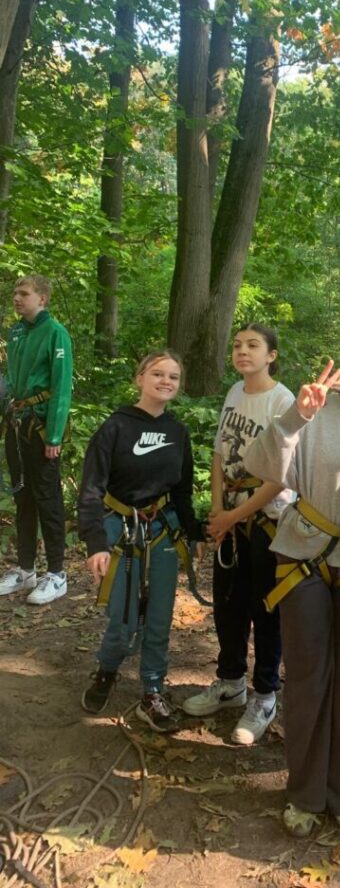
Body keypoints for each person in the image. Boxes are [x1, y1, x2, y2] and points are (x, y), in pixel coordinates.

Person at [244, 329, 340, 838]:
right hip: (304, 555)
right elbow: (259, 464)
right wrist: (297, 417)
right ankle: (305, 794)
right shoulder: (314, 412)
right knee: (309, 676)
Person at [78, 350, 202, 732]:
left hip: (162, 530)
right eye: (158, 374)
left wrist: (193, 533)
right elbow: (91, 490)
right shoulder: (115, 427)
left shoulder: (178, 432)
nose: (166, 381)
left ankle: (152, 689)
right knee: (123, 617)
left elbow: (182, 491)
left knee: (160, 616)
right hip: (119, 532)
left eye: (173, 377)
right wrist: (96, 543)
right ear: (140, 378)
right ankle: (107, 668)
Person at [183, 324, 295, 745]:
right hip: (230, 517)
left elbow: (281, 477)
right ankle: (230, 682)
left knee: (266, 610)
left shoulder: (283, 401)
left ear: (271, 355)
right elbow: (219, 452)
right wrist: (218, 510)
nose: (243, 351)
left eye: (253, 345)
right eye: (237, 345)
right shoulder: (234, 392)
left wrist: (233, 516)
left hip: (266, 521)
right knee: (228, 604)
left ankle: (264, 695)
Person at [0, 275, 73, 605]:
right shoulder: (16, 332)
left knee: (47, 499)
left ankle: (57, 574)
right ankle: (26, 569)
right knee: (22, 497)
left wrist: (54, 434)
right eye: (15, 293)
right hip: (17, 425)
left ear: (42, 298)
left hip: (42, 429)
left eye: (24, 293)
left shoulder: (55, 333)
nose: (17, 298)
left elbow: (61, 387)